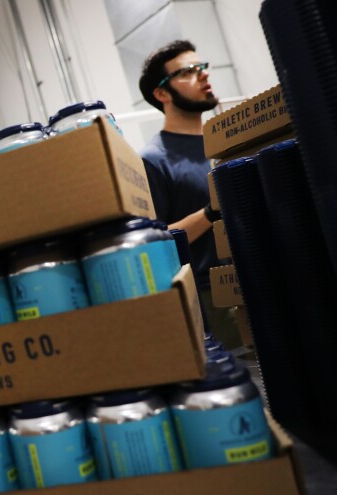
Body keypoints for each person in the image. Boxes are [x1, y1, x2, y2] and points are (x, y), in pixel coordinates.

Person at [138, 40, 240, 349]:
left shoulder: (225, 142)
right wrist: (211, 211)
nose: (203, 76)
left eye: (203, 68)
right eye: (188, 71)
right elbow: (155, 240)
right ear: (162, 93)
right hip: (212, 297)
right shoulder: (153, 160)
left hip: (255, 273)